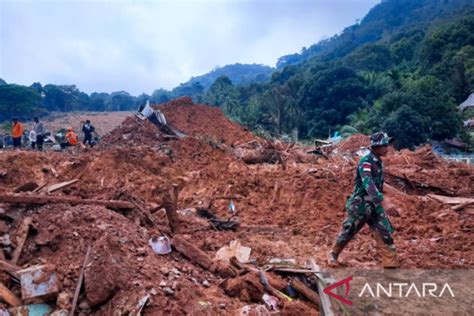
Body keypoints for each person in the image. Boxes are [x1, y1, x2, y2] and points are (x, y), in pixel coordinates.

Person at [328, 132, 401, 268]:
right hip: (361, 203)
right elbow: (369, 184)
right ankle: (333, 253)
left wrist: (381, 201)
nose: (387, 148)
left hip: (374, 205)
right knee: (349, 230)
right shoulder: (366, 162)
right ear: (375, 147)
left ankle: (391, 267)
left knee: (384, 232)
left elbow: (378, 185)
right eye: (384, 145)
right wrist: (383, 201)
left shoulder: (379, 162)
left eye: (387, 145)